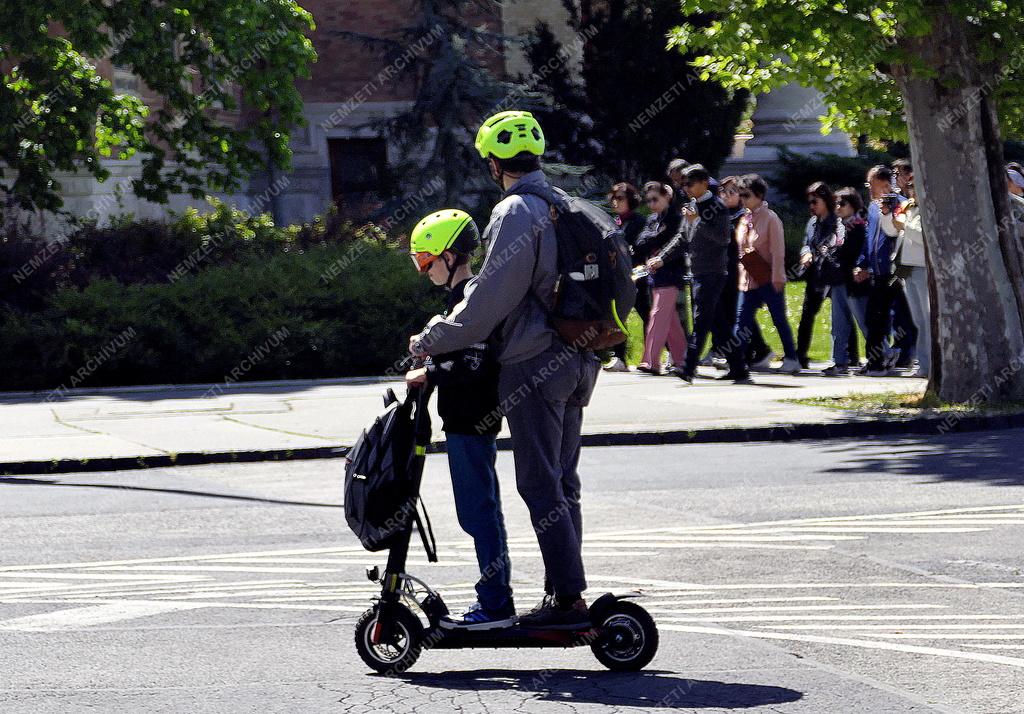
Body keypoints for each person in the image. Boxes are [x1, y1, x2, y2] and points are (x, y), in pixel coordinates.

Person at [410, 110, 599, 629]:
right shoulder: (562, 203)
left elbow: (490, 302)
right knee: (564, 483)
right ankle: (567, 597)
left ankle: (567, 604)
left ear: (494, 162)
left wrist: (432, 340)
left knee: (541, 486)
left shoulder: (516, 210)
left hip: (537, 361)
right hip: (580, 355)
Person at [405, 210, 514, 628]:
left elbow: (476, 363)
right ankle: (495, 599)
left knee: (478, 512)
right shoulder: (464, 297)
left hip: (473, 417)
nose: (423, 270)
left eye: (425, 260)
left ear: (449, 257)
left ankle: (494, 605)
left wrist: (428, 372)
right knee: (481, 510)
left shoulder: (471, 295)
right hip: (467, 417)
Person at [650, 164, 733, 383]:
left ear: (704, 183)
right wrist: (662, 257)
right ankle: (740, 366)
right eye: (683, 184)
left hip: (713, 271)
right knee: (718, 322)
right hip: (697, 272)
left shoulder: (717, 207)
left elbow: (722, 238)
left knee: (701, 320)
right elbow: (681, 238)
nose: (685, 188)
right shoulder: (691, 207)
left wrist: (697, 221)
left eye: (690, 184)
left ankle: (688, 366)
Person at [730, 174, 801, 380]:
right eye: (740, 195)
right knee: (741, 322)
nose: (742, 199)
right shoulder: (744, 219)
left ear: (759, 195)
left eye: (747, 195)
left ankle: (791, 358)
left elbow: (778, 251)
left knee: (778, 319)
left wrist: (778, 276)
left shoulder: (771, 218)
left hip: (768, 278)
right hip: (747, 279)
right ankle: (737, 361)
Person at [713, 177, 771, 369]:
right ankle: (743, 352)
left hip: (741, 271)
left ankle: (758, 350)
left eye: (732, 192)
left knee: (740, 313)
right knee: (731, 314)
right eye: (723, 192)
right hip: (725, 270)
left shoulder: (742, 216)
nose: (726, 196)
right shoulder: (723, 214)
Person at [856, 165, 905, 376]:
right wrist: (862, 263)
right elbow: (869, 237)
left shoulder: (900, 205)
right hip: (877, 270)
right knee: (873, 317)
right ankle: (875, 359)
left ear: (884, 185)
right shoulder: (873, 207)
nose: (869, 189)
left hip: (894, 270)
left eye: (872, 185)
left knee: (892, 318)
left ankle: (884, 359)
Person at [638, 182, 688, 374]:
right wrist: (656, 235)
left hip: (671, 273)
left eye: (655, 199)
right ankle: (683, 359)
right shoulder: (652, 219)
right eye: (648, 200)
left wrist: (655, 236)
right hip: (655, 274)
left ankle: (650, 361)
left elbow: (673, 241)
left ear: (667, 196)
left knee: (658, 315)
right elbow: (641, 241)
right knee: (670, 320)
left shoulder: (677, 219)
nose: (651, 204)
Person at [604, 183, 649, 372]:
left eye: (620, 198)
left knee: (647, 314)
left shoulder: (639, 221)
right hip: (619, 275)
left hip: (638, 274)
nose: (616, 202)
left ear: (631, 199)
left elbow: (641, 246)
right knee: (618, 315)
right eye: (613, 198)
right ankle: (619, 357)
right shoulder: (614, 221)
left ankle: (660, 353)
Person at [891, 162, 931, 378]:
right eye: (911, 186)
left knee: (927, 319)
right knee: (917, 320)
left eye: (915, 186)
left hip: (923, 267)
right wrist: (889, 215)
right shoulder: (908, 206)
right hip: (907, 268)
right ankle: (924, 365)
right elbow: (891, 229)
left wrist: (905, 224)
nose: (911, 190)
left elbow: (925, 237)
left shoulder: (928, 208)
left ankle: (928, 366)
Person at [825, 187, 869, 376]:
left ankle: (879, 354)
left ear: (853, 205)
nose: (838, 207)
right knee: (839, 323)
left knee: (864, 321)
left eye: (842, 204)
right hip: (837, 280)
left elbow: (855, 253)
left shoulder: (859, 226)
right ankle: (839, 361)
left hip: (853, 281)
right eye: (836, 203)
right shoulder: (838, 227)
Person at [796, 182, 837, 371]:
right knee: (807, 315)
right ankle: (800, 355)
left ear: (826, 200)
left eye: (815, 201)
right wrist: (806, 253)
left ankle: (849, 355)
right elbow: (806, 242)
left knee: (841, 314)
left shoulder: (836, 222)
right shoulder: (813, 222)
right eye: (809, 202)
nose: (811, 206)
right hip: (815, 275)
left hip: (832, 274)